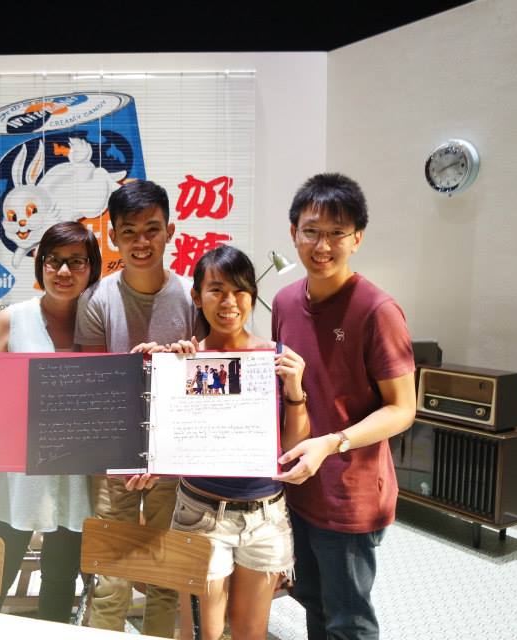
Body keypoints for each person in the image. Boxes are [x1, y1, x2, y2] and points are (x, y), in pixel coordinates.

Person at [271, 173, 416, 640]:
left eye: (337, 233)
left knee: (349, 619)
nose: (322, 245)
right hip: (299, 486)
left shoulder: (377, 310)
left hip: (350, 494)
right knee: (311, 601)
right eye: (311, 230)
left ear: (357, 238)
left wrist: (332, 443)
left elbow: (402, 409)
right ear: (293, 233)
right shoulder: (285, 301)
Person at [75, 179, 201, 637]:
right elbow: (96, 391)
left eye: (152, 229)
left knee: (166, 576)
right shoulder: (97, 301)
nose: (141, 242)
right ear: (113, 237)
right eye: (129, 232)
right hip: (115, 460)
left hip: (174, 459)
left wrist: (190, 358)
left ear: (170, 230)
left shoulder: (192, 297)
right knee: (111, 577)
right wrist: (130, 454)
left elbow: (203, 394)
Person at [166, 245, 310, 640]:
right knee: (201, 634)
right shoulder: (187, 360)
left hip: (265, 516)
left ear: (252, 296)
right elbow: (166, 433)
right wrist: (168, 368)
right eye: (216, 290)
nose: (229, 302)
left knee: (251, 633)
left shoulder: (276, 359)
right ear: (197, 296)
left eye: (241, 290)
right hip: (201, 512)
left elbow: (293, 451)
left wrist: (295, 389)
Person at [0, 221, 102, 622]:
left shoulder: (99, 321)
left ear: (92, 268)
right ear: (40, 266)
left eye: (76, 262)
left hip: (76, 473)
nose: (63, 272)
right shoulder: (13, 318)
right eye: (53, 261)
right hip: (19, 468)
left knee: (61, 578)